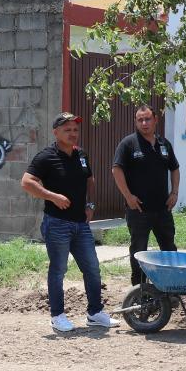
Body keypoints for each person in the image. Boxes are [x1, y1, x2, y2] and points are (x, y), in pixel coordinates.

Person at [22, 112, 114, 332]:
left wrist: (91, 206)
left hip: (80, 224)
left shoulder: (81, 155)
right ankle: (58, 316)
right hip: (57, 224)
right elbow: (26, 182)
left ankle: (95, 313)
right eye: (67, 130)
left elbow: (90, 181)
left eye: (75, 129)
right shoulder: (46, 157)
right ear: (56, 133)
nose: (73, 133)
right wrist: (52, 196)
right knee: (58, 270)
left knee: (92, 268)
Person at [112, 104, 182, 286]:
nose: (144, 123)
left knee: (168, 250)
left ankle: (170, 286)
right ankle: (140, 290)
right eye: (140, 120)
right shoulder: (128, 143)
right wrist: (128, 196)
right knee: (138, 251)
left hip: (163, 209)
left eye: (148, 119)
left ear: (155, 120)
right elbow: (116, 170)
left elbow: (175, 168)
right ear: (136, 122)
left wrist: (174, 192)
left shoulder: (164, 144)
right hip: (139, 210)